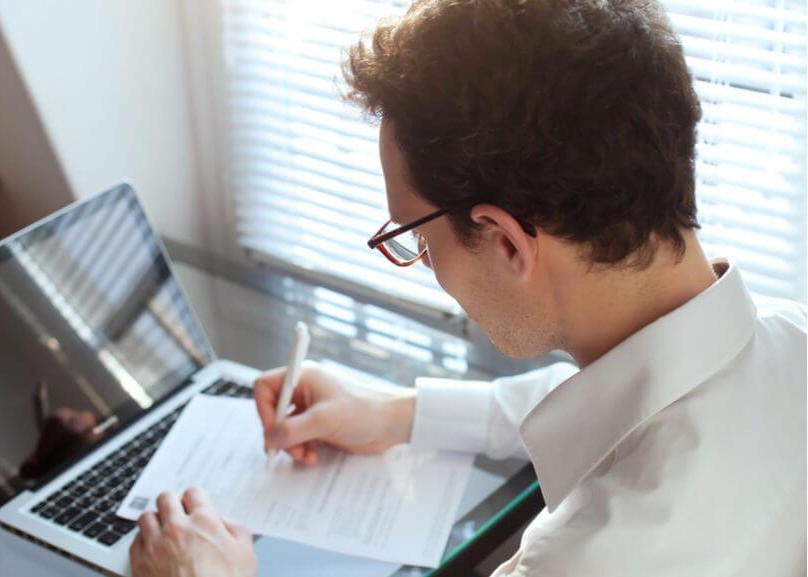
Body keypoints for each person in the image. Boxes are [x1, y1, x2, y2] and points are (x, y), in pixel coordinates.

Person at [128, 1, 807, 575]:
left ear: (507, 240)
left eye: (419, 241)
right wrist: (396, 413)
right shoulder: (788, 337)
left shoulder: (586, 557)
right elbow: (628, 393)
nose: (425, 263)